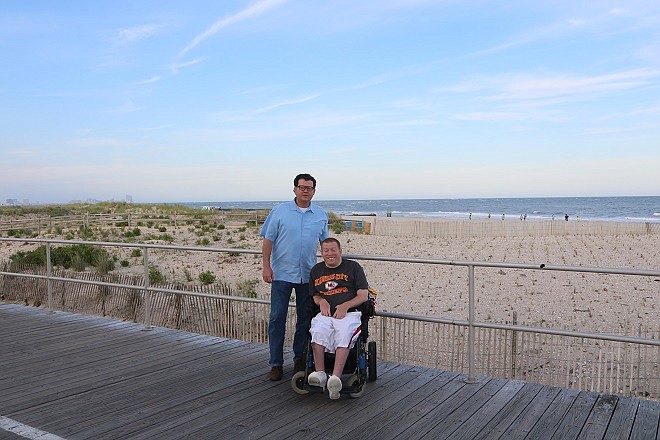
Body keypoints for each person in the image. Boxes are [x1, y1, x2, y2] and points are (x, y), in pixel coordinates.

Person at [261, 173, 329, 381]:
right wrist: (266, 267)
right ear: (295, 189)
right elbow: (267, 240)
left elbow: (325, 245)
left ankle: (299, 358)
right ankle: (276, 363)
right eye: (302, 187)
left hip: (308, 276)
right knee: (277, 319)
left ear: (314, 191)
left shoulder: (320, 214)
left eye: (309, 188)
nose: (305, 191)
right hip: (281, 274)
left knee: (305, 319)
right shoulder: (280, 211)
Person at [307, 237, 369, 399]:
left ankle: (335, 377)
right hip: (327, 313)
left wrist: (346, 306)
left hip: (349, 312)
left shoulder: (353, 267)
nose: (330, 254)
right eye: (326, 251)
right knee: (318, 329)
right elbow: (315, 296)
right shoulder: (316, 271)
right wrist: (322, 301)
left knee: (344, 332)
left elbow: (363, 295)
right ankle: (320, 373)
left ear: (340, 251)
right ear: (322, 253)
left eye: (333, 250)